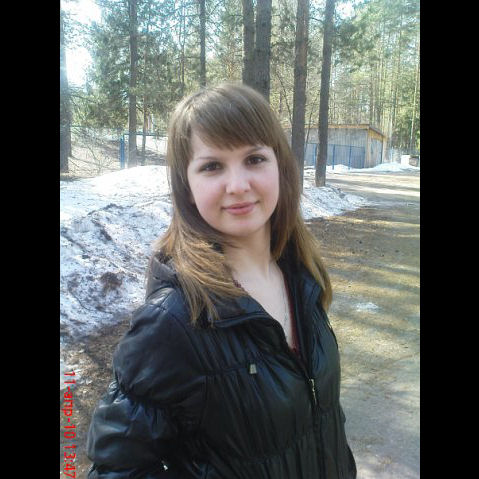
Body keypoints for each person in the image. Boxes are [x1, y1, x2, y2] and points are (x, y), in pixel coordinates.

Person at [86, 82, 357, 479]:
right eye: (212, 166)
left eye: (254, 159)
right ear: (187, 186)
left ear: (280, 166)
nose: (238, 185)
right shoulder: (172, 322)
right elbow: (116, 469)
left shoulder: (301, 276)